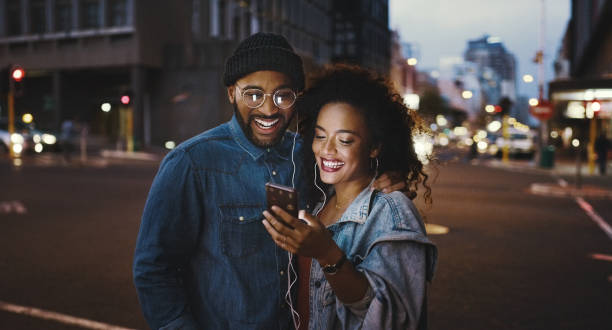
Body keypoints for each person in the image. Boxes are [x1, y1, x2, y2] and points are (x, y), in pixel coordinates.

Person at [133, 33, 407, 330]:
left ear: (296, 97)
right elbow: (155, 268)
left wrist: (382, 176)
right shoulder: (191, 163)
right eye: (253, 94)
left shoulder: (310, 156)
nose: (268, 109)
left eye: (283, 95)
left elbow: (351, 194)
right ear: (231, 93)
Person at [262, 65, 438, 330]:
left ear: (374, 146)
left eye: (345, 140)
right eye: (320, 136)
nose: (327, 150)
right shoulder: (319, 202)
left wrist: (326, 252)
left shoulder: (392, 210)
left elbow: (395, 320)